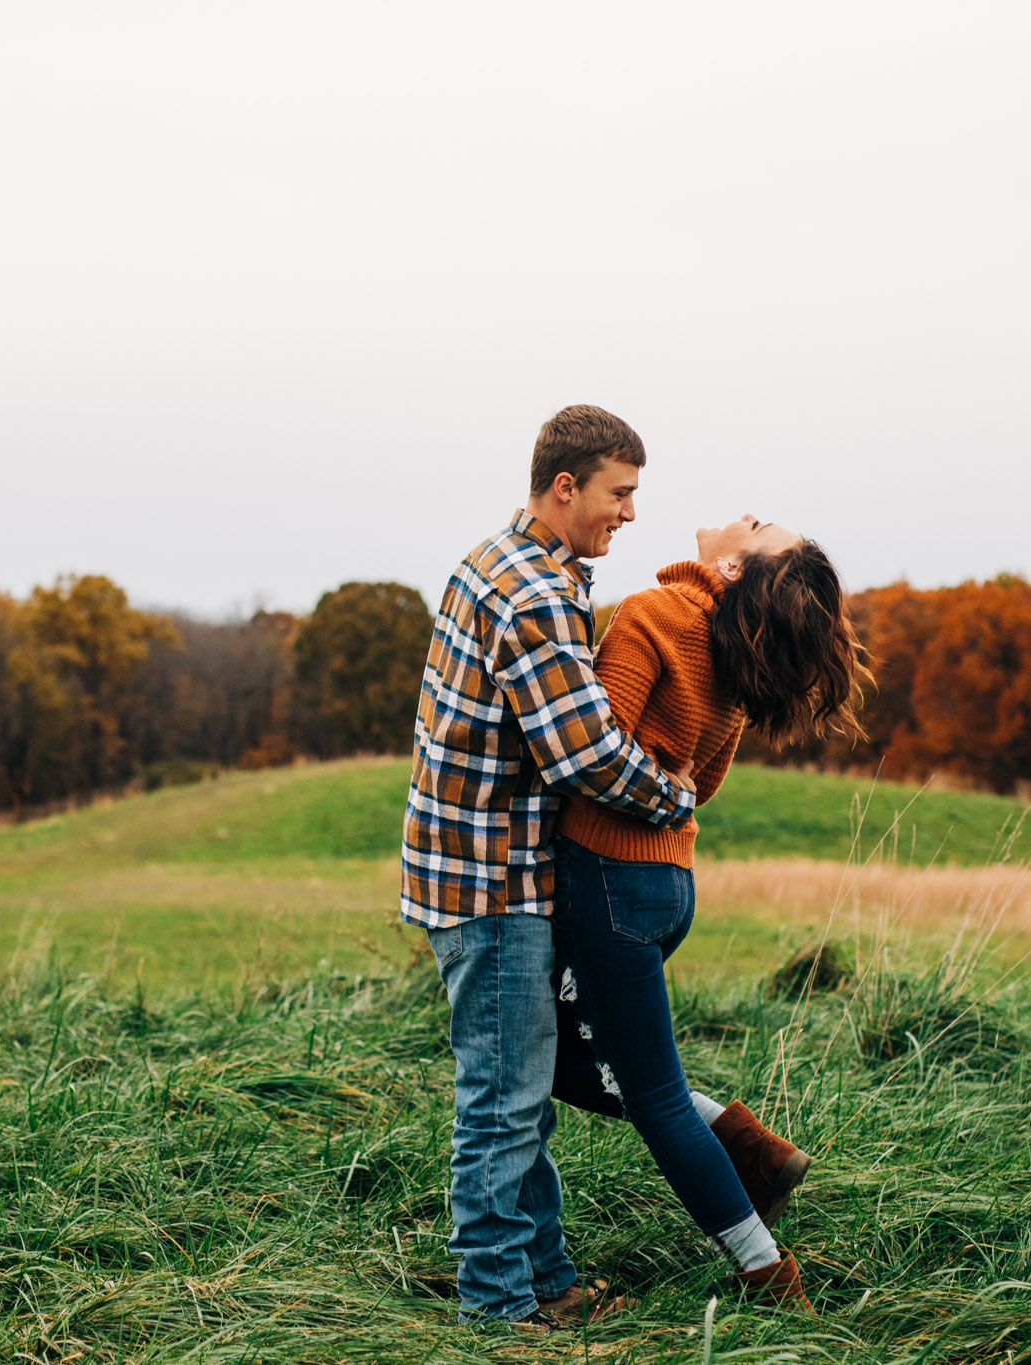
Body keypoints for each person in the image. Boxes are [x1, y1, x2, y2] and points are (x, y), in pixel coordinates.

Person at [400, 405, 703, 1329]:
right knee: (502, 1102)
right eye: (619, 493)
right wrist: (673, 792)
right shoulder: (534, 593)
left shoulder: (503, 559)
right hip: (492, 879)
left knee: (521, 1093)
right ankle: (498, 1309)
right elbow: (582, 755)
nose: (630, 514)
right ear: (565, 487)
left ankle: (548, 1282)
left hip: (474, 867)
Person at [549, 514, 867, 1313]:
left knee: (650, 1096)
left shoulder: (655, 615)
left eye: (758, 527)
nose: (746, 515)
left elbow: (595, 753)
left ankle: (765, 1269)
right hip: (669, 886)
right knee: (560, 1062)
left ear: (730, 563)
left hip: (610, 879)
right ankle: (748, 1147)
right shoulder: (731, 654)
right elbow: (702, 784)